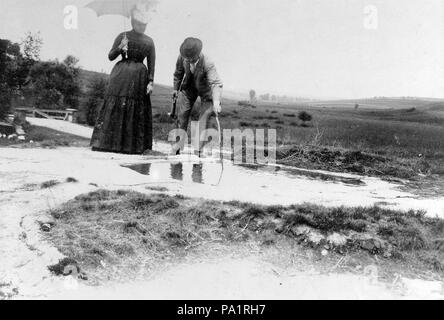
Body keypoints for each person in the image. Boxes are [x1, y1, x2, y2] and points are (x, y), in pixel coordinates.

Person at [91, 7, 155, 154]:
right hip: (120, 76)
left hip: (139, 79)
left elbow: (152, 64)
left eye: (145, 25)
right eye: (140, 24)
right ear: (133, 22)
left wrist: (150, 82)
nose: (142, 27)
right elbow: (111, 56)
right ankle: (106, 144)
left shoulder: (149, 41)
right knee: (116, 105)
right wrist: (121, 46)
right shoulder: (123, 36)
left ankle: (132, 147)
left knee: (135, 107)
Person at [172, 37, 223, 155]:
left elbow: (215, 84)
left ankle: (198, 150)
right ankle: (177, 146)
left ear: (198, 54)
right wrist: (175, 89)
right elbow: (178, 73)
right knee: (182, 115)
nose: (188, 59)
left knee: (203, 119)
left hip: (206, 91)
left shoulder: (208, 63)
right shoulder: (182, 57)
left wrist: (216, 103)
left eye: (191, 57)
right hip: (188, 88)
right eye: (187, 57)